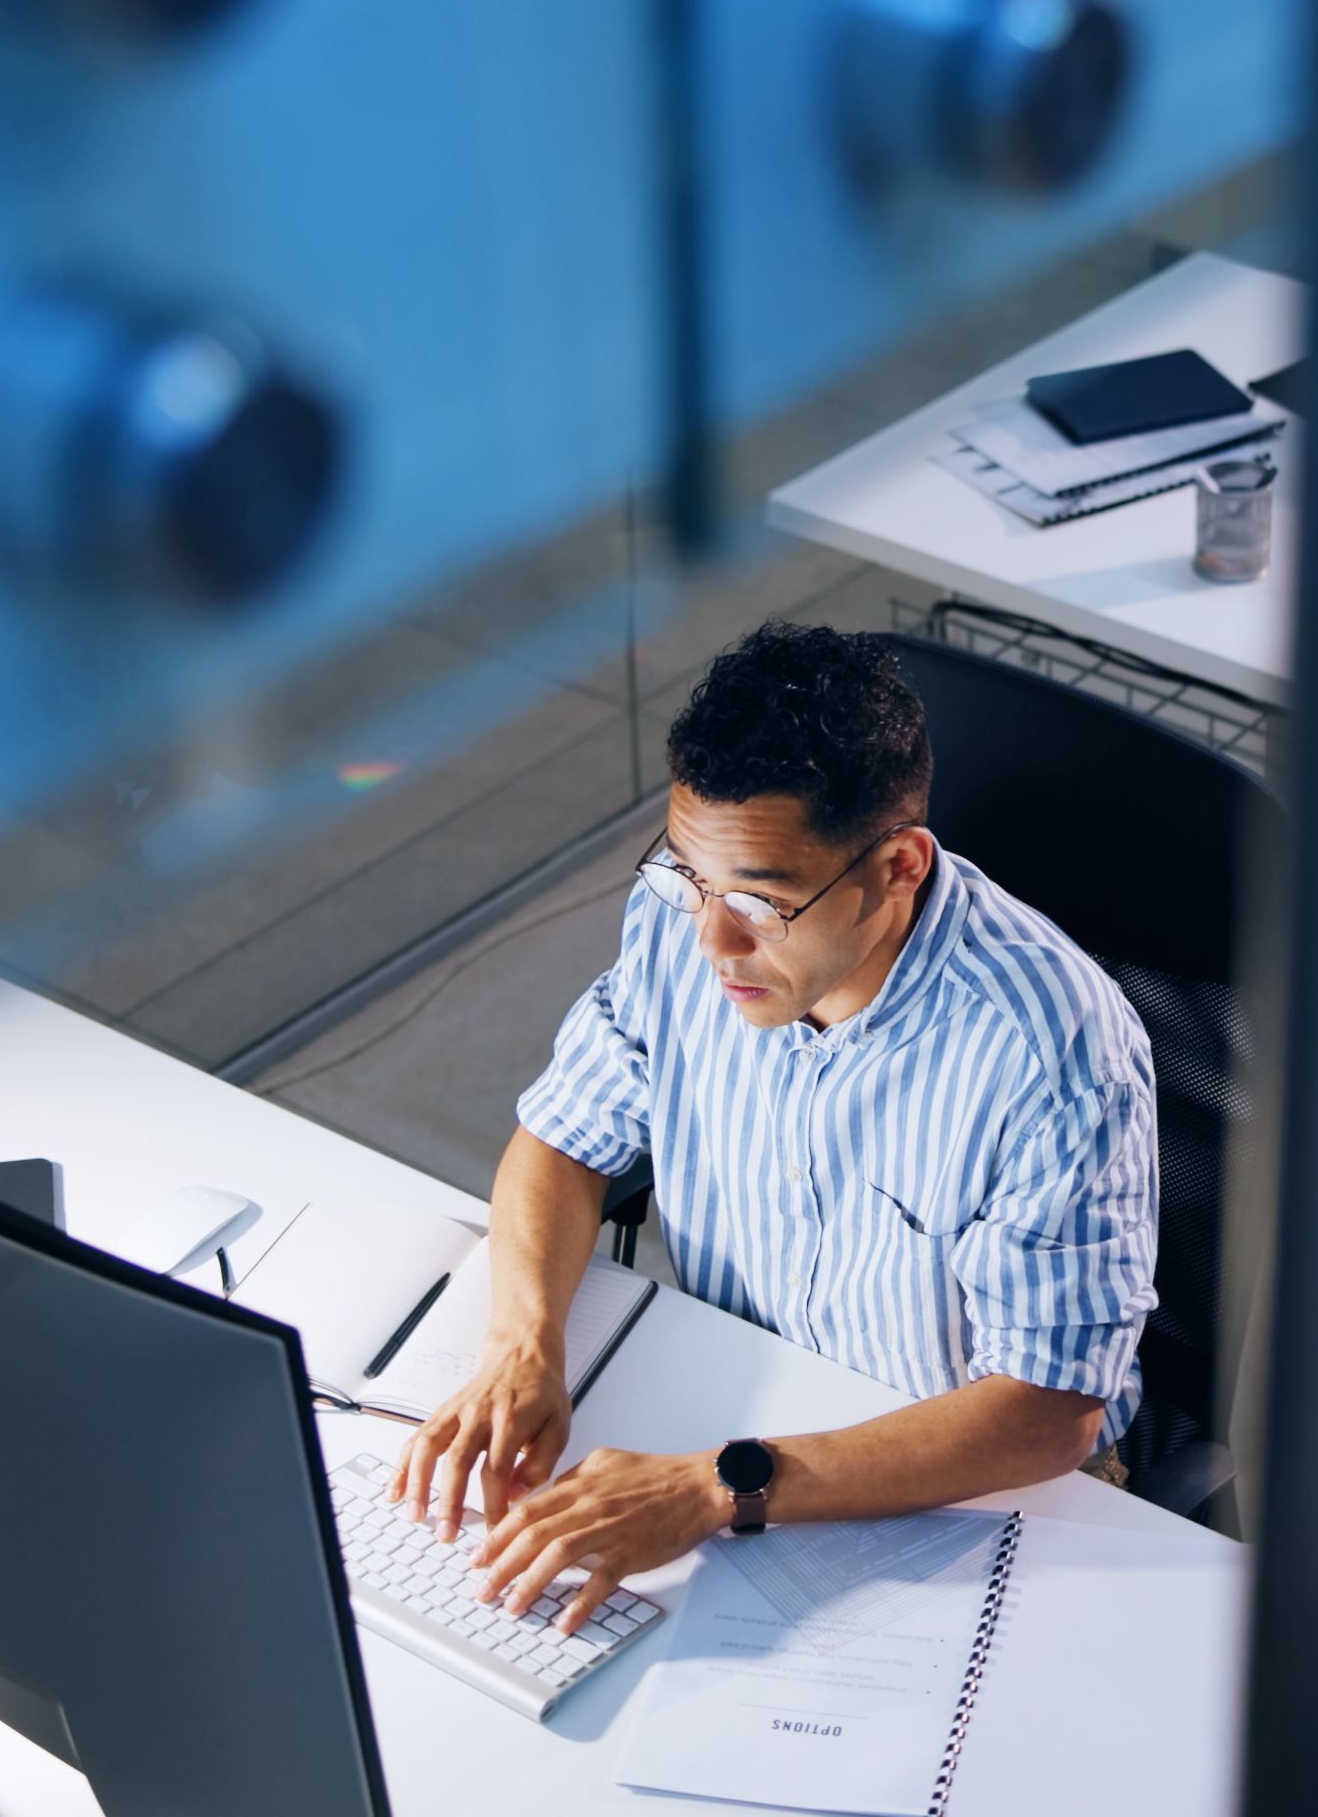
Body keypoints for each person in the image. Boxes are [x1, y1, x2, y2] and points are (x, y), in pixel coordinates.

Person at [390, 622, 1159, 1630]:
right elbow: (564, 1136)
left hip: (972, 1485)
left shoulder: (1052, 1052)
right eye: (688, 876)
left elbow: (1050, 1410)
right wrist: (521, 1345)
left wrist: (720, 1485)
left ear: (898, 867)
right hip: (741, 1401)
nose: (710, 937)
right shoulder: (687, 921)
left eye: (758, 898)